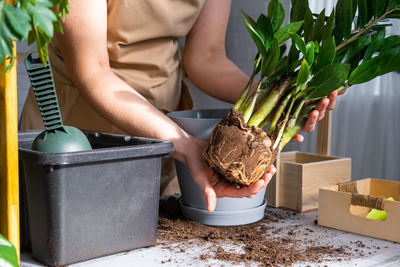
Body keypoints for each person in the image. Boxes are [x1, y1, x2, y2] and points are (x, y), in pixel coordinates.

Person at [20, 0, 341, 212]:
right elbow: (92, 71)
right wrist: (185, 145)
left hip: (161, 124)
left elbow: (206, 58)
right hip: (79, 126)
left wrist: (279, 100)